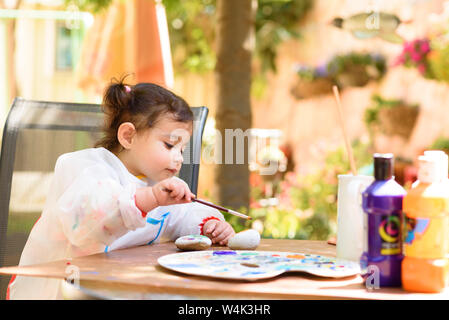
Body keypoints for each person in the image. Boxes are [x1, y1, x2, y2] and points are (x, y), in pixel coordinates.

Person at [8, 77, 235, 299]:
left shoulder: (155, 184)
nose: (179, 159)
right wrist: (147, 199)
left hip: (118, 285)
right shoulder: (83, 167)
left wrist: (209, 225)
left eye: (182, 150)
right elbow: (91, 219)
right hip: (59, 291)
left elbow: (181, 215)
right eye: (169, 145)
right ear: (128, 136)